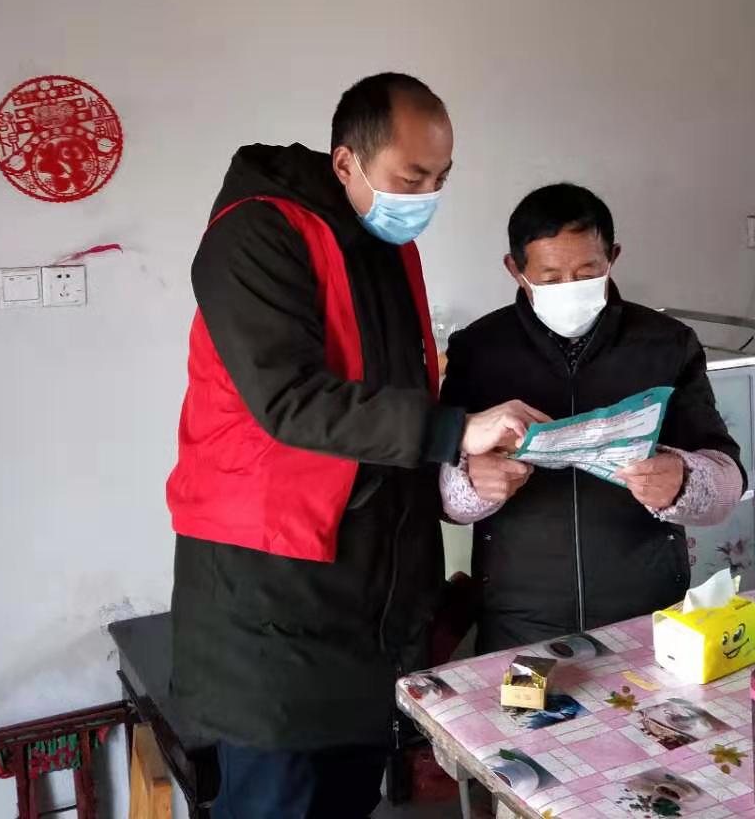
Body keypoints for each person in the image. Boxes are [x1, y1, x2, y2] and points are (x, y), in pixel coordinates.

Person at [166, 72, 547, 819]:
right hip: (274, 583)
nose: (426, 196)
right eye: (412, 177)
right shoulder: (256, 234)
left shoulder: (382, 242)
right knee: (279, 796)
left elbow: (391, 393)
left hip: (372, 582)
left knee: (348, 794)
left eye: (441, 179)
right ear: (346, 162)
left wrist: (461, 463)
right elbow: (288, 399)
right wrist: (453, 430)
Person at [440, 183, 744, 652]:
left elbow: (729, 479)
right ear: (515, 269)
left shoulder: (666, 344)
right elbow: (439, 493)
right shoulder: (479, 351)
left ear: (613, 258)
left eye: (587, 274)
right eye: (550, 278)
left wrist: (683, 480)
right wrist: (472, 484)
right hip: (517, 613)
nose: (569, 289)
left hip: (648, 609)